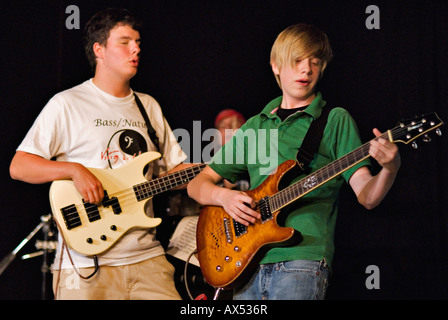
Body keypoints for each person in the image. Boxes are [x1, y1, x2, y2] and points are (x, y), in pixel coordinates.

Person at [187, 23, 401, 300]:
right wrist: (224, 197)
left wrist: (389, 168)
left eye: (315, 62)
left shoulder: (335, 120)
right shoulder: (254, 125)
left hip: (302, 261)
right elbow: (197, 186)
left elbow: (367, 197)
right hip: (245, 263)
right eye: (297, 61)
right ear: (276, 66)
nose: (306, 69)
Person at [9, 8, 194, 300]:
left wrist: (218, 172)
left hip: (147, 259)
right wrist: (73, 170)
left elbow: (173, 174)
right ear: (100, 50)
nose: (135, 48)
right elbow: (19, 166)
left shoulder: (148, 106)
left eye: (138, 42)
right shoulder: (67, 103)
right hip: (86, 266)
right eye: (124, 41)